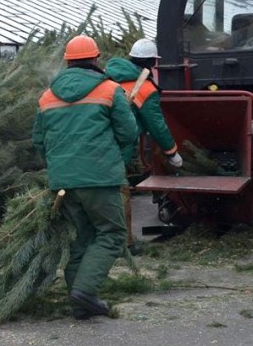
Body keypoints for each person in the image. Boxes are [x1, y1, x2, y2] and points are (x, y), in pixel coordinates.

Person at [32, 35, 138, 320]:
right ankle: (85, 293)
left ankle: (79, 303)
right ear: (95, 59)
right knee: (112, 234)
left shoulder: (46, 96)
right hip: (100, 178)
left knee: (80, 239)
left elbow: (38, 141)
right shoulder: (109, 90)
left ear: (67, 61)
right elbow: (129, 132)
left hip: (63, 182)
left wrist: (60, 167)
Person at [106, 39, 183, 250]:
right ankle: (124, 245)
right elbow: (156, 125)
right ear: (150, 62)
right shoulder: (145, 88)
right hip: (117, 145)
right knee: (117, 190)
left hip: (96, 139)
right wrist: (172, 152)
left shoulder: (108, 78)